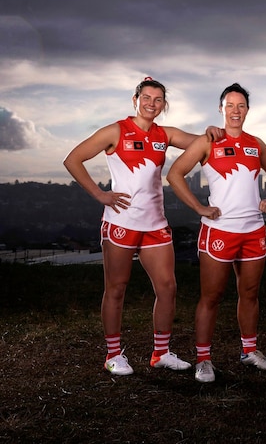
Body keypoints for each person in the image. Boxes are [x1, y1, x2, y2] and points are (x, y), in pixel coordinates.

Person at [63, 77, 221, 376]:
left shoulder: (166, 134)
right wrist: (100, 195)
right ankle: (113, 355)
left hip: (155, 224)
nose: (151, 103)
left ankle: (160, 353)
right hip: (121, 222)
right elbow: (73, 159)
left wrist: (212, 131)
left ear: (164, 105)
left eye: (158, 99)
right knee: (117, 288)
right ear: (135, 99)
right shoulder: (116, 130)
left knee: (168, 287)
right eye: (146, 97)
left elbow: (203, 142)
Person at [166, 83, 266, 384]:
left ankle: (250, 351)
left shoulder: (256, 143)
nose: (235, 111)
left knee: (250, 294)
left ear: (247, 110)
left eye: (241, 105)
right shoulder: (208, 141)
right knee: (212, 297)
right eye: (230, 105)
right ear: (221, 109)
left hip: (253, 230)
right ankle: (203, 360)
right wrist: (198, 208)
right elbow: (175, 173)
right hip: (219, 230)